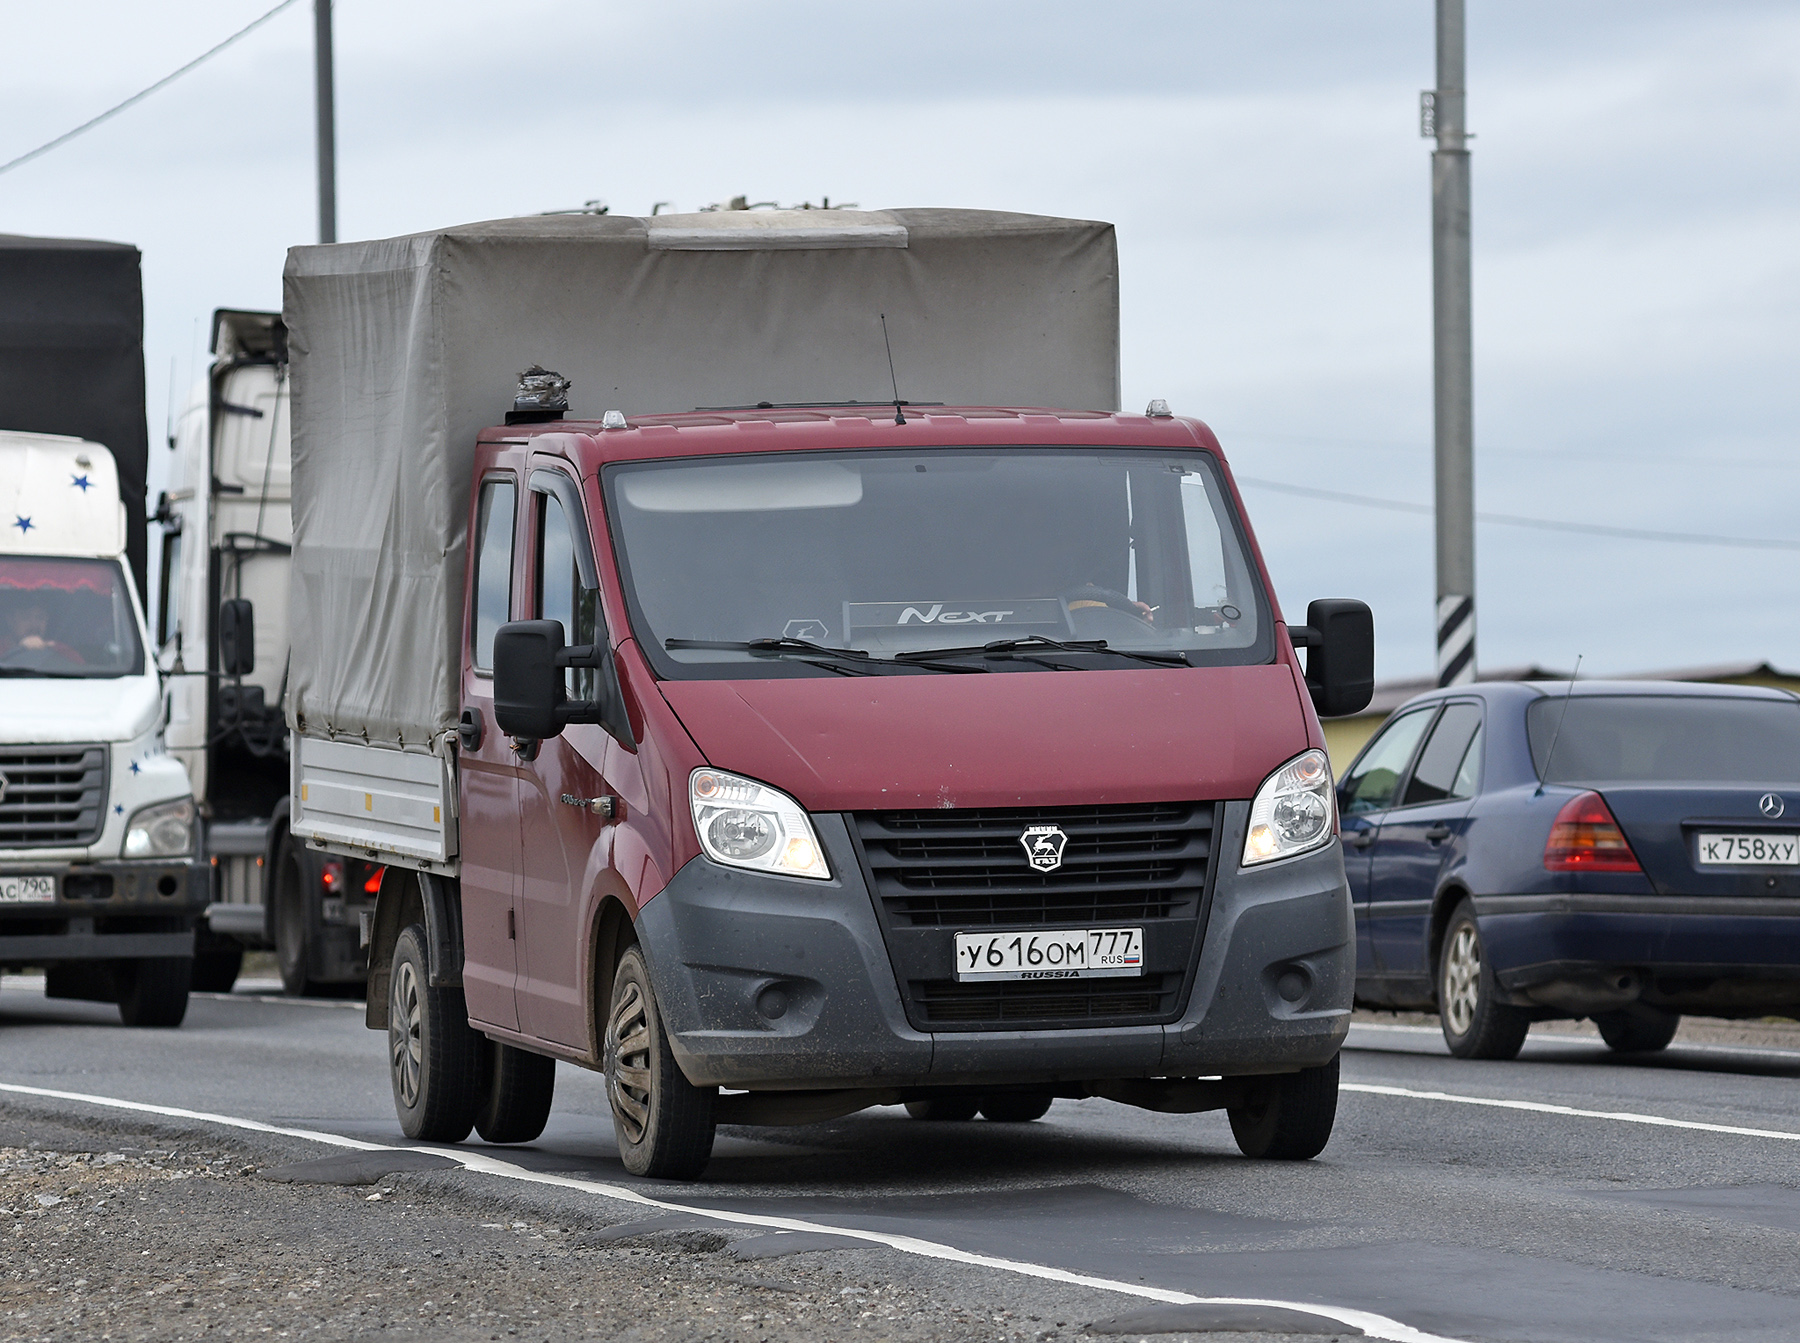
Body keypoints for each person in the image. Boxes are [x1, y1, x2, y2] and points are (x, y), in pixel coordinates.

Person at [0, 599, 85, 665]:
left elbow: (80, 675)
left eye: (40, 617)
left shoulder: (62, 651)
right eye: (25, 617)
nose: (34, 624)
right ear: (10, 620)